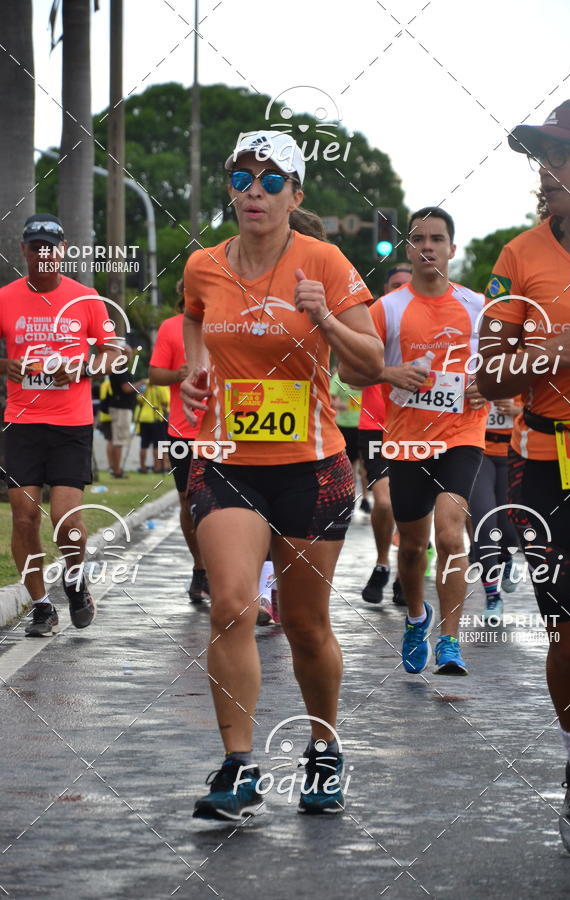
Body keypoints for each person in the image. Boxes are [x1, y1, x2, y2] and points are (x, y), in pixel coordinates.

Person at [180, 130, 382, 821]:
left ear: (296, 195)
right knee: (232, 604)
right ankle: (238, 767)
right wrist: (196, 373)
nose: (255, 192)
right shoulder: (205, 265)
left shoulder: (323, 260)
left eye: (271, 181)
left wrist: (324, 316)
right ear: (230, 190)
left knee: (304, 624)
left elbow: (370, 365)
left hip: (313, 469)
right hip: (228, 465)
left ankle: (324, 747)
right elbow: (193, 320)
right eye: (242, 179)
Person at [475, 99, 570, 882]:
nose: (544, 171)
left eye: (560, 154)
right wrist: (554, 348)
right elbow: (488, 374)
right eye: (538, 157)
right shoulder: (517, 259)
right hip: (547, 464)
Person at [340, 206, 487, 676]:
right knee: (411, 546)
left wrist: (491, 384)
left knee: (450, 532)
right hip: (405, 443)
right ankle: (415, 618)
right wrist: (388, 372)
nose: (428, 247)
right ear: (408, 248)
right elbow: (347, 370)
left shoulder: (479, 307)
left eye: (437, 239)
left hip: (463, 433)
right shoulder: (388, 308)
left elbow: (506, 367)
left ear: (452, 249)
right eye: (419, 238)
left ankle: (449, 640)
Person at [0, 213, 117, 636]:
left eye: (51, 247)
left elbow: (114, 351)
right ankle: (42, 607)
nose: (43, 254)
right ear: (25, 251)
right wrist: (5, 365)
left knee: (66, 520)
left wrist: (83, 367)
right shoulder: (6, 297)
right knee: (25, 514)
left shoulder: (86, 298)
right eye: (36, 247)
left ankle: (74, 578)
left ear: (63, 250)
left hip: (71, 423)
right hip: (23, 420)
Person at [149, 287, 209, 604]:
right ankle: (200, 569)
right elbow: (154, 374)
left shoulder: (228, 323)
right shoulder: (171, 327)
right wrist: (178, 374)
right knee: (188, 500)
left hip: (225, 431)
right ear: (183, 294)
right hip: (183, 430)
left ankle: (231, 572)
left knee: (230, 502)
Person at [359, 264, 412, 605]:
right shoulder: (372, 321)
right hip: (376, 426)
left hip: (419, 428)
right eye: (394, 286)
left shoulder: (432, 323)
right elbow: (352, 372)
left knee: (412, 508)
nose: (400, 293)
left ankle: (405, 571)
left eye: (406, 287)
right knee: (386, 501)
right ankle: (382, 563)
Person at [469, 396, 522, 621]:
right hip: (478, 452)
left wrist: (519, 410)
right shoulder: (472, 363)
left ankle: (506, 558)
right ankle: (493, 596)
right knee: (484, 523)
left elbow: (548, 404)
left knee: (510, 530)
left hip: (515, 451)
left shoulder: (527, 363)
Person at [108, 353, 143, 478]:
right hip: (121, 409)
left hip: (121, 408)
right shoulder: (120, 370)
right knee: (119, 440)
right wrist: (140, 383)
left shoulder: (118, 369)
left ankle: (115, 468)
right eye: (127, 353)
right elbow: (126, 388)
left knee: (116, 439)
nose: (130, 356)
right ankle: (117, 471)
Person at [134, 378, 170, 473]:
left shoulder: (146, 383)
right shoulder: (161, 384)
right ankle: (157, 467)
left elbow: (139, 398)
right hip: (156, 417)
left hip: (143, 418)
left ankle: (143, 467)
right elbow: (166, 400)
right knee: (157, 444)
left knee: (144, 444)